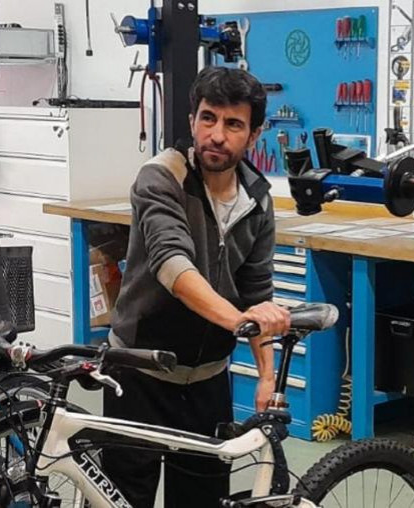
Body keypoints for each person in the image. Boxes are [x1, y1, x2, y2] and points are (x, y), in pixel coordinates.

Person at [103, 66, 292, 507]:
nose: (217, 135)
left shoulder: (257, 199)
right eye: (208, 118)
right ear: (192, 121)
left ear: (254, 135)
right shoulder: (161, 177)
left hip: (207, 382)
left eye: (233, 124)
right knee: (125, 499)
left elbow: (257, 292)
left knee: (202, 499)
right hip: (139, 373)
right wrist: (241, 321)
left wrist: (266, 377)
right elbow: (173, 267)